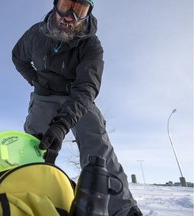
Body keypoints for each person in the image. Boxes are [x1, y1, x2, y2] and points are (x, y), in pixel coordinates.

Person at [12, 0, 142, 215]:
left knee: (96, 141)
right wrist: (35, 80)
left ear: (88, 13)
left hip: (76, 97)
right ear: (55, 5)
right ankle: (27, 193)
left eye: (79, 10)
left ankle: (122, 208)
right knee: (36, 144)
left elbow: (87, 88)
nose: (70, 16)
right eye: (65, 5)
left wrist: (62, 123)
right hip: (44, 95)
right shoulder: (35, 34)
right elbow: (18, 58)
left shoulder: (91, 45)